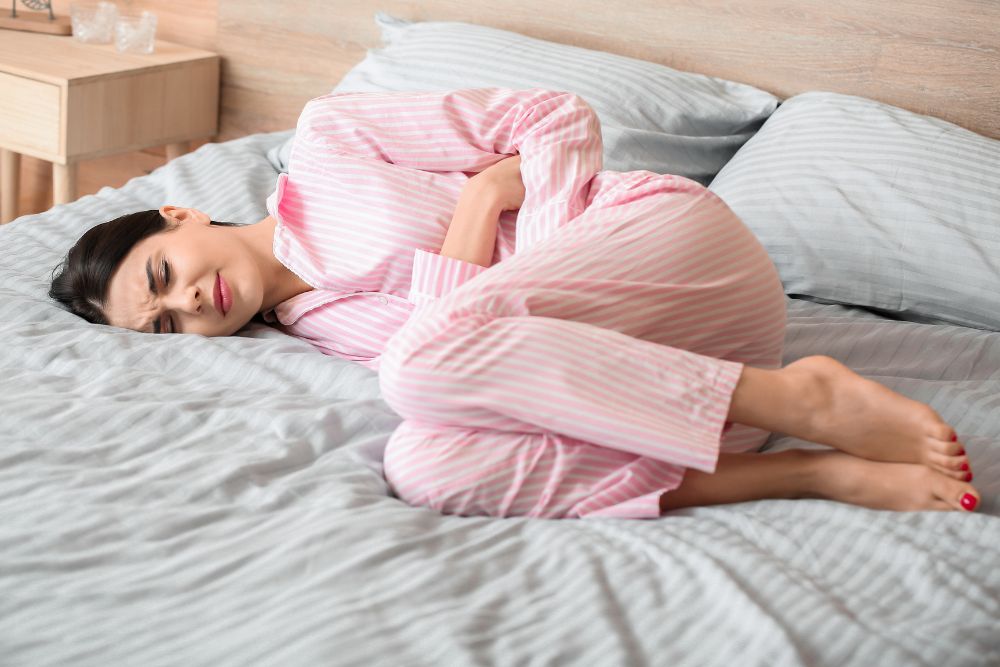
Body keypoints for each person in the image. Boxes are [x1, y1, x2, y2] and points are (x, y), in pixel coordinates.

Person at [49, 88, 980, 518]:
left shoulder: (330, 142)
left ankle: (796, 399)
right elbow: (485, 364)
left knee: (418, 361)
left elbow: (553, 118)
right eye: (166, 324)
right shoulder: (319, 331)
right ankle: (810, 470)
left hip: (667, 257)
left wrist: (510, 224)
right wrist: (477, 214)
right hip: (664, 372)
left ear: (178, 213)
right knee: (422, 461)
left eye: (163, 276)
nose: (190, 306)